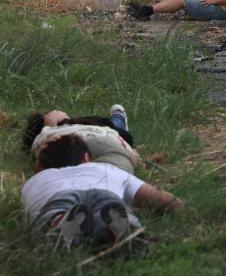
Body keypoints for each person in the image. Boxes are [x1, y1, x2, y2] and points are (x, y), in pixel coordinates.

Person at [21, 135, 182, 249]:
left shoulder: (36, 181)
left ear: (39, 167)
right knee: (106, 208)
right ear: (86, 159)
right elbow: (160, 199)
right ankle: (120, 224)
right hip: (103, 193)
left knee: (55, 211)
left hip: (60, 197)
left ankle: (58, 223)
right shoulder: (105, 169)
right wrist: (177, 206)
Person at [24, 106, 140, 174]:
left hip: (96, 146)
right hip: (108, 139)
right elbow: (119, 133)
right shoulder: (87, 123)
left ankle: (118, 117)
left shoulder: (44, 137)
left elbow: (40, 162)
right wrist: (131, 149)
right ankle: (118, 116)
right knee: (116, 125)